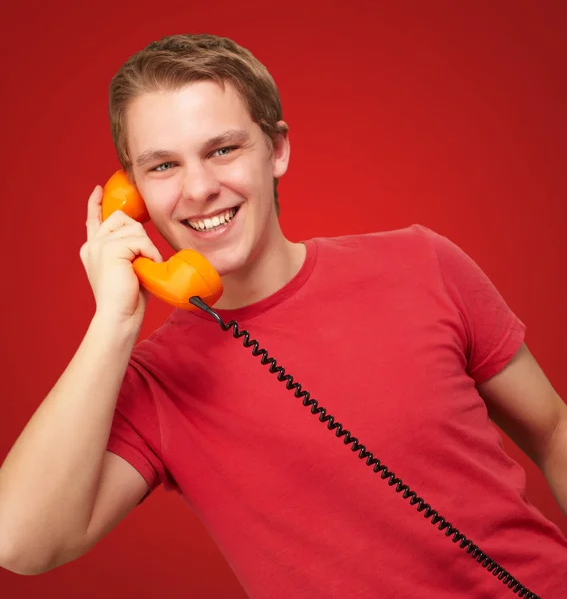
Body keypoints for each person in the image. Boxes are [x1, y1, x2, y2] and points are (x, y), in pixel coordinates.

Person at [0, 33, 565, 598]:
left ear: (277, 150)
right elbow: (20, 541)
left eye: (222, 150)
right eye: (164, 165)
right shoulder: (154, 384)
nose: (198, 188)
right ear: (135, 193)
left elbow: (554, 430)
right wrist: (114, 321)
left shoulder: (422, 261)